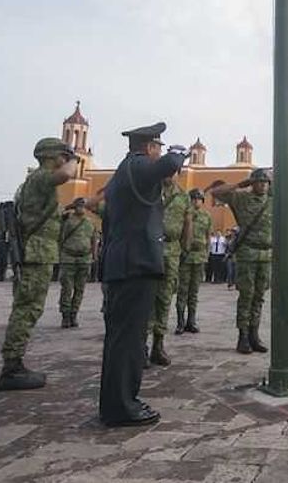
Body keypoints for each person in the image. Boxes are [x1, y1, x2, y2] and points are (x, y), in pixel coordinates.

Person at [98, 123, 186, 427]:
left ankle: (114, 403)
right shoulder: (137, 166)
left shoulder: (121, 174)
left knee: (121, 337)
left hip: (123, 262)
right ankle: (123, 406)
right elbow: (170, 164)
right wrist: (180, 151)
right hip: (136, 263)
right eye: (158, 147)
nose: (159, 152)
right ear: (149, 148)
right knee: (130, 339)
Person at [0, 138, 78, 392]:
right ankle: (11, 367)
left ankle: (14, 363)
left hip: (38, 253)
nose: (66, 160)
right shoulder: (41, 177)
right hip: (36, 253)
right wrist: (76, 159)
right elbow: (65, 175)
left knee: (29, 307)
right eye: (64, 155)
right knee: (27, 308)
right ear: (54, 156)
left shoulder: (36, 183)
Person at [210, 168, 273, 355]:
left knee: (259, 296)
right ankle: (243, 336)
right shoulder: (241, 199)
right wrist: (239, 185)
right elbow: (216, 192)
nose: (262, 184)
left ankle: (255, 334)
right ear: (252, 183)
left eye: (265, 181)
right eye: (258, 181)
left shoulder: (273, 202)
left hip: (266, 255)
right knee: (246, 295)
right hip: (248, 253)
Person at [148, 173, 190, 365]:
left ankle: (158, 344)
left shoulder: (183, 196)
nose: (170, 176)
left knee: (165, 298)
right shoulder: (150, 190)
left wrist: (186, 247)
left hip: (172, 251)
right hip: (149, 249)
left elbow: (187, 223)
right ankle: (141, 346)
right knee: (146, 298)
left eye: (174, 172)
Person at [177, 189, 212, 334]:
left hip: (199, 257)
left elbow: (208, 236)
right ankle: (180, 322)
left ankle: (191, 321)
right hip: (186, 256)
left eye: (199, 199)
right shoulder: (184, 215)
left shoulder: (206, 216)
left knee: (194, 292)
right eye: (193, 198)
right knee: (183, 290)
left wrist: (207, 253)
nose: (196, 201)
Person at [58, 198, 97, 328]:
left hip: (84, 259)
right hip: (68, 258)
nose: (81, 208)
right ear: (74, 207)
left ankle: (74, 314)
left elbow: (93, 240)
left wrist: (94, 256)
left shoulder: (90, 222)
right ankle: (65, 315)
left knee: (80, 289)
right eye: (78, 206)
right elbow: (60, 237)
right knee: (67, 289)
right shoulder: (67, 221)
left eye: (82, 206)